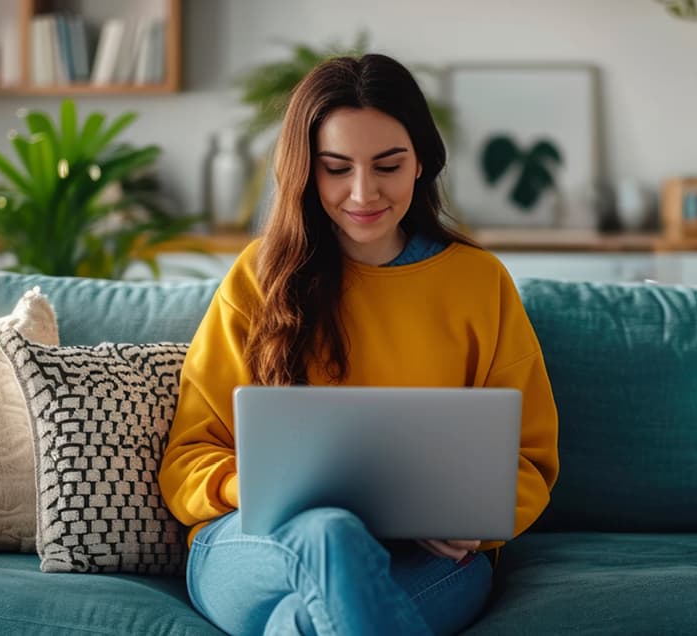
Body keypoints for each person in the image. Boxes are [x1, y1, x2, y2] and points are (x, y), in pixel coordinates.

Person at [158, 53, 559, 636]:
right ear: (306, 171)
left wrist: (474, 519)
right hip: (258, 544)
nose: (363, 192)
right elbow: (189, 457)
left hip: (426, 557)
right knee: (330, 534)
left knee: (300, 624)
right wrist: (272, 491)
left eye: (387, 165)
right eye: (336, 168)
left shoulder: (478, 283)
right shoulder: (258, 278)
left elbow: (529, 460)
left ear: (422, 161)